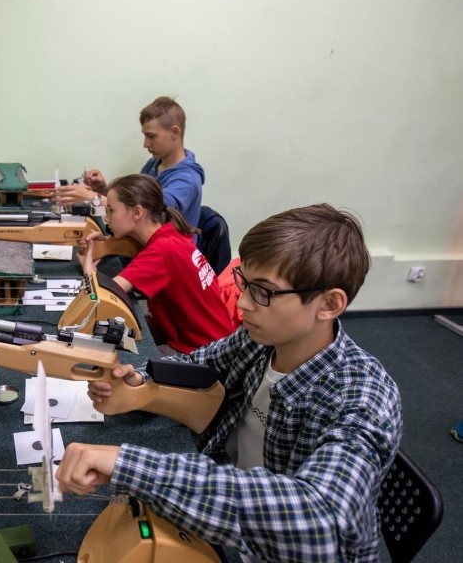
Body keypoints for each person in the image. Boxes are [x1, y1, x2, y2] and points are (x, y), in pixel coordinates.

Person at [56, 204, 403, 562]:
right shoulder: (260, 339)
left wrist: (130, 466)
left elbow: (320, 518)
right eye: (244, 283)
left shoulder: (363, 396)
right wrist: (138, 377)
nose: (243, 304)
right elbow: (195, 363)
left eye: (264, 292)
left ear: (329, 303)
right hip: (230, 509)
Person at [80, 173, 233, 354]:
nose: (106, 219)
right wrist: (107, 244)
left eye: (111, 211)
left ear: (137, 212)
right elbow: (134, 249)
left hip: (200, 353)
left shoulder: (160, 252)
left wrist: (87, 264)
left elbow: (99, 296)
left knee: (118, 358)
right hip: (217, 342)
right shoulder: (172, 234)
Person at [55, 96, 205, 228]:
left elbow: (149, 212)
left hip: (167, 257)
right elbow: (135, 202)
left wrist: (93, 199)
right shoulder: (153, 164)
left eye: (151, 136)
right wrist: (104, 190)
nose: (145, 144)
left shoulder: (187, 180)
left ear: (175, 132)